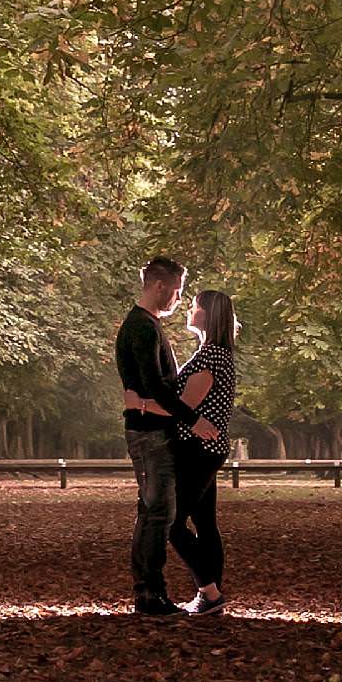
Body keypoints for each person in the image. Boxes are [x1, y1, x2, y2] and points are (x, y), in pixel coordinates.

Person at [115, 256, 214, 616]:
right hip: (148, 434)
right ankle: (149, 594)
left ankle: (149, 592)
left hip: (154, 430)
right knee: (158, 514)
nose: (177, 299)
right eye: (176, 291)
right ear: (159, 286)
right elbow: (155, 384)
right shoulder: (141, 327)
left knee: (154, 512)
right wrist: (192, 418)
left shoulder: (148, 325)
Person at [165, 289, 238, 614]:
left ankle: (208, 590)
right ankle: (211, 596)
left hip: (197, 449)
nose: (189, 311)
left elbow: (185, 406)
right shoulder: (215, 352)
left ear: (207, 314)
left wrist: (142, 403)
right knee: (205, 523)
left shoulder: (211, 357)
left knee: (172, 522)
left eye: (194, 307)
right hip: (208, 448)